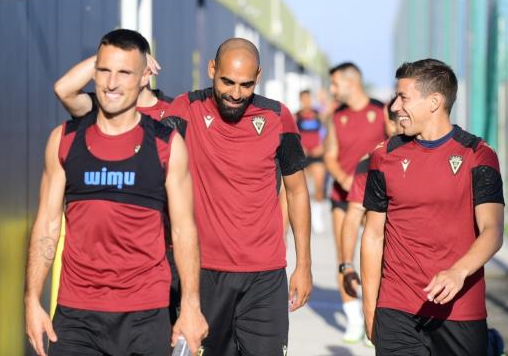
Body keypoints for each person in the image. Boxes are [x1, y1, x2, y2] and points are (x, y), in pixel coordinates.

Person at [24, 29, 207, 356]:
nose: (111, 83)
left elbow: (183, 230)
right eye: (104, 70)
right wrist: (31, 300)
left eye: (124, 72)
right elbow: (47, 227)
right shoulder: (64, 140)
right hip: (77, 315)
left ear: (142, 79)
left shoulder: (166, 145)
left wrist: (191, 305)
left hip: (145, 313)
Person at [162, 37, 312, 355]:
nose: (235, 93)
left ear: (258, 77)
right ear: (212, 69)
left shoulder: (278, 117)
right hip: (201, 273)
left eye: (245, 84)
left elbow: (297, 191)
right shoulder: (184, 110)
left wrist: (304, 264)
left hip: (265, 277)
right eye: (227, 81)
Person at [361, 59, 504, 355]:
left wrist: (458, 272)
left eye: (404, 98)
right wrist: (370, 309)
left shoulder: (478, 155)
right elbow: (373, 236)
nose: (395, 106)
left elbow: (492, 231)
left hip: (460, 311)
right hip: (396, 309)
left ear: (434, 102)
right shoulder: (383, 156)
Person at [53, 48, 183, 325]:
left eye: (126, 69)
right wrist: (104, 60)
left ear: (146, 71)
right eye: (108, 69)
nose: (114, 78)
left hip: (165, 253)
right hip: (104, 265)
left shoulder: (174, 112)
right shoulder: (102, 110)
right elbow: (64, 89)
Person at [323, 62, 387, 342]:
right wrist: (344, 179)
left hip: (375, 199)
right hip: (342, 197)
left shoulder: (381, 110)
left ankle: (377, 313)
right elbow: (329, 155)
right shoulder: (335, 116)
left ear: (352, 82)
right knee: (344, 257)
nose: (332, 89)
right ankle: (353, 320)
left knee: (381, 256)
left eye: (335, 84)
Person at [296, 89, 327, 234]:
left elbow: (328, 132)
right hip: (303, 154)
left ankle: (318, 214)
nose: (306, 101)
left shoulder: (318, 115)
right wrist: (300, 147)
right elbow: (293, 135)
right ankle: (305, 217)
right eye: (304, 99)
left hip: (317, 154)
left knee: (319, 185)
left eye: (308, 98)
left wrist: (322, 147)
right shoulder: (296, 117)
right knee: (304, 188)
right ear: (301, 100)